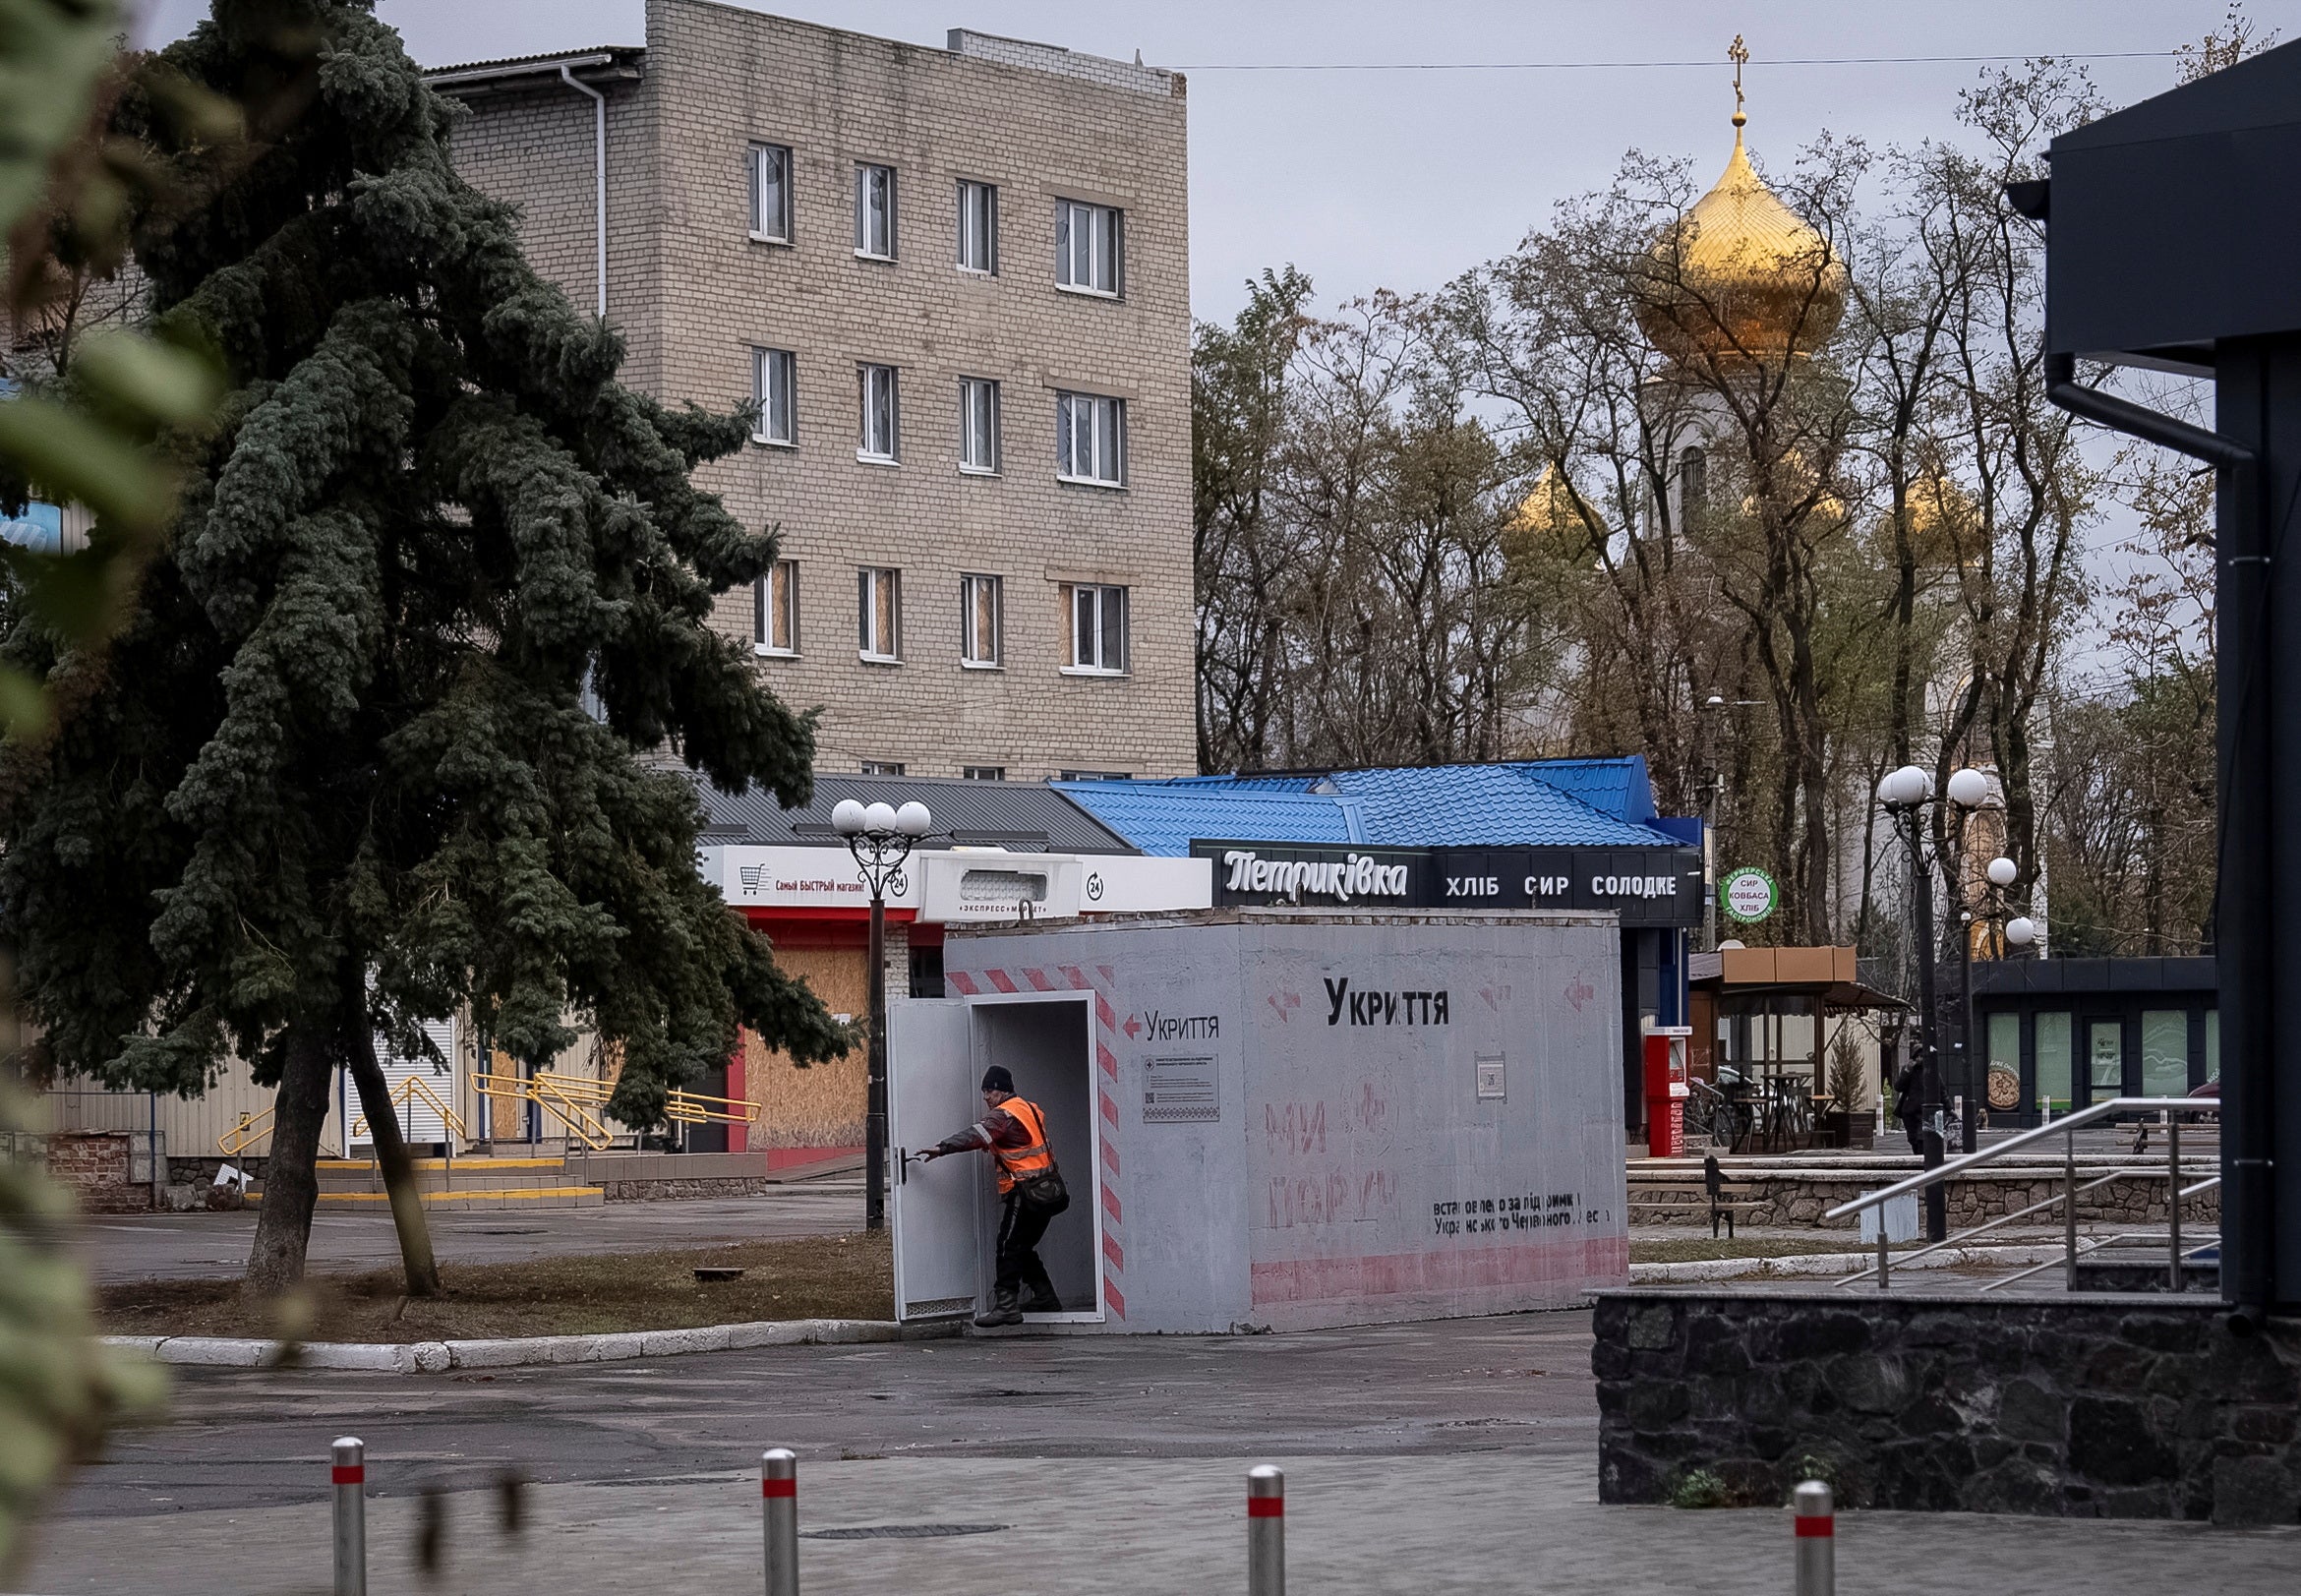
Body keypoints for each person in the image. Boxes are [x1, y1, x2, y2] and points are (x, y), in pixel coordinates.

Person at [916, 1065, 1070, 1327]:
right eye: (984, 1091)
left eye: (989, 1090)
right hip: (1049, 1190)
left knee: (1007, 1247)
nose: (986, 1097)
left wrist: (942, 1148)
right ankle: (1045, 1296)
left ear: (1002, 1091)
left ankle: (1006, 1306)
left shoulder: (1004, 1115)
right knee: (1022, 1246)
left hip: (1025, 1193)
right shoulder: (1030, 1108)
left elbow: (976, 1135)